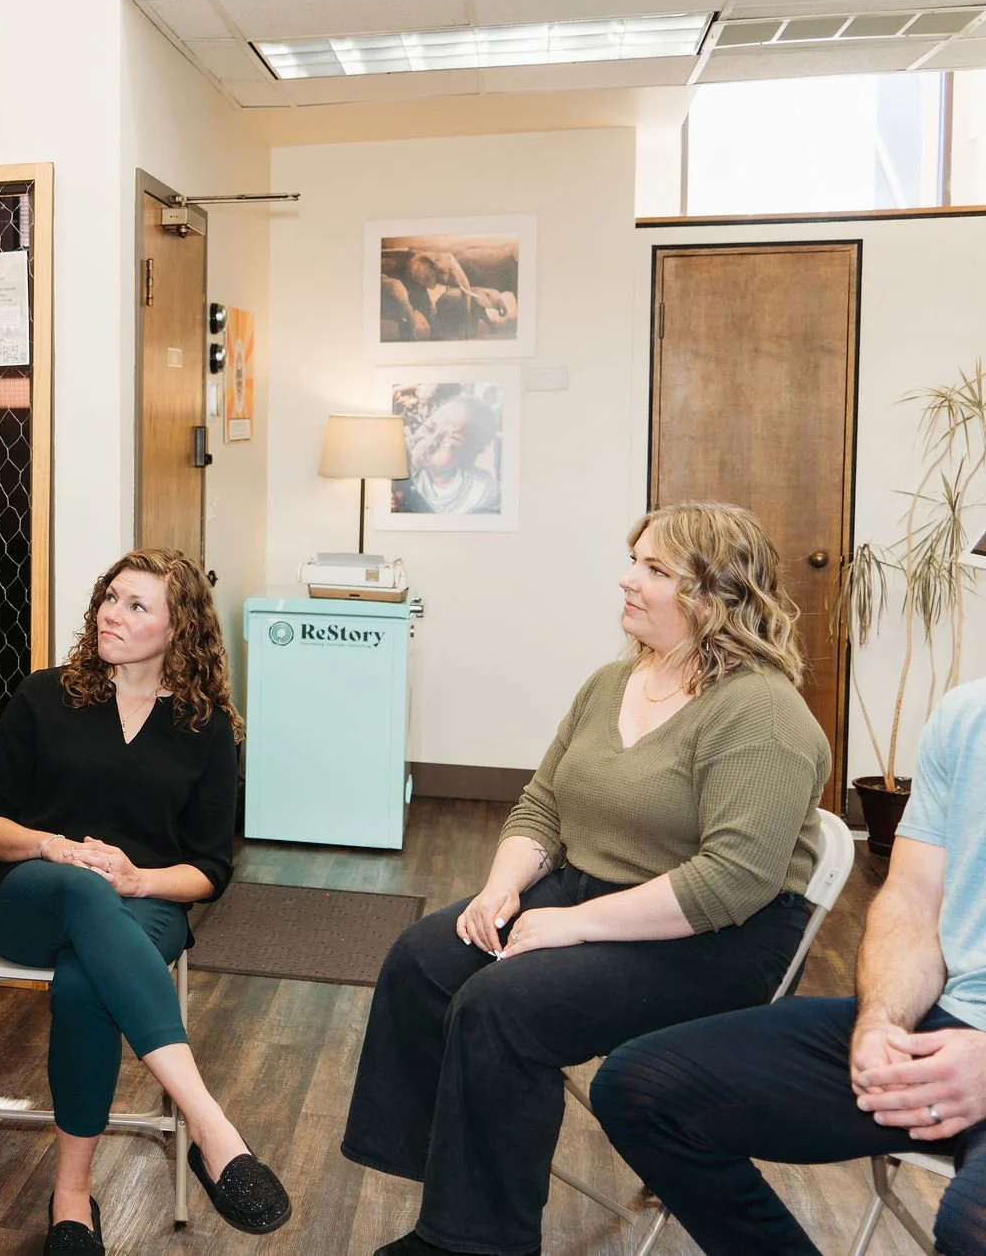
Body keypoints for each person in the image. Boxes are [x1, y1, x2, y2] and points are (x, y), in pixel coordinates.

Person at [342, 500, 831, 1256]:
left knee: (502, 1007)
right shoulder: (614, 681)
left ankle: (475, 1240)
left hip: (713, 938)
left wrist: (569, 923)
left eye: (654, 569)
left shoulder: (762, 712)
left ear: (711, 597)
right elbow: (544, 802)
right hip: (591, 892)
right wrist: (503, 885)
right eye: (634, 559)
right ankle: (452, 1184)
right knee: (423, 959)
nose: (627, 579)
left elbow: (729, 881)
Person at [0, 550, 292, 1253]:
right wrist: (56, 846)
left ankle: (72, 1197)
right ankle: (210, 1125)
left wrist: (139, 879)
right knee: (84, 891)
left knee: (89, 982)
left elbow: (209, 868)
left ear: (180, 628)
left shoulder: (206, 728)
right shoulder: (44, 695)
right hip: (30, 894)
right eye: (110, 598)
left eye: (137, 605)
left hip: (143, 903)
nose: (112, 613)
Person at [591, 679, 986, 1254]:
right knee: (643, 1090)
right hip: (949, 1023)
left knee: (972, 1225)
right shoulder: (967, 715)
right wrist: (882, 1022)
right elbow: (912, 901)